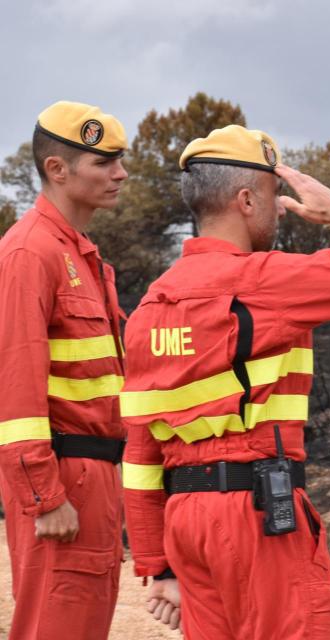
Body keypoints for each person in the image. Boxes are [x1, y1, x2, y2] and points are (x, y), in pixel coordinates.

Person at [120, 124, 330, 639]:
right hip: (259, 515)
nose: (281, 209)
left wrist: (159, 563)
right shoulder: (264, 279)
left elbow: (141, 452)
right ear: (245, 200)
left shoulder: (151, 305)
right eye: (272, 195)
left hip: (186, 522)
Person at [0, 101, 128, 639]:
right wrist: (44, 497)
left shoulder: (78, 254)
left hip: (96, 473)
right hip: (64, 474)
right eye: (104, 162)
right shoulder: (30, 253)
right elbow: (15, 386)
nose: (121, 174)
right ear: (57, 169)